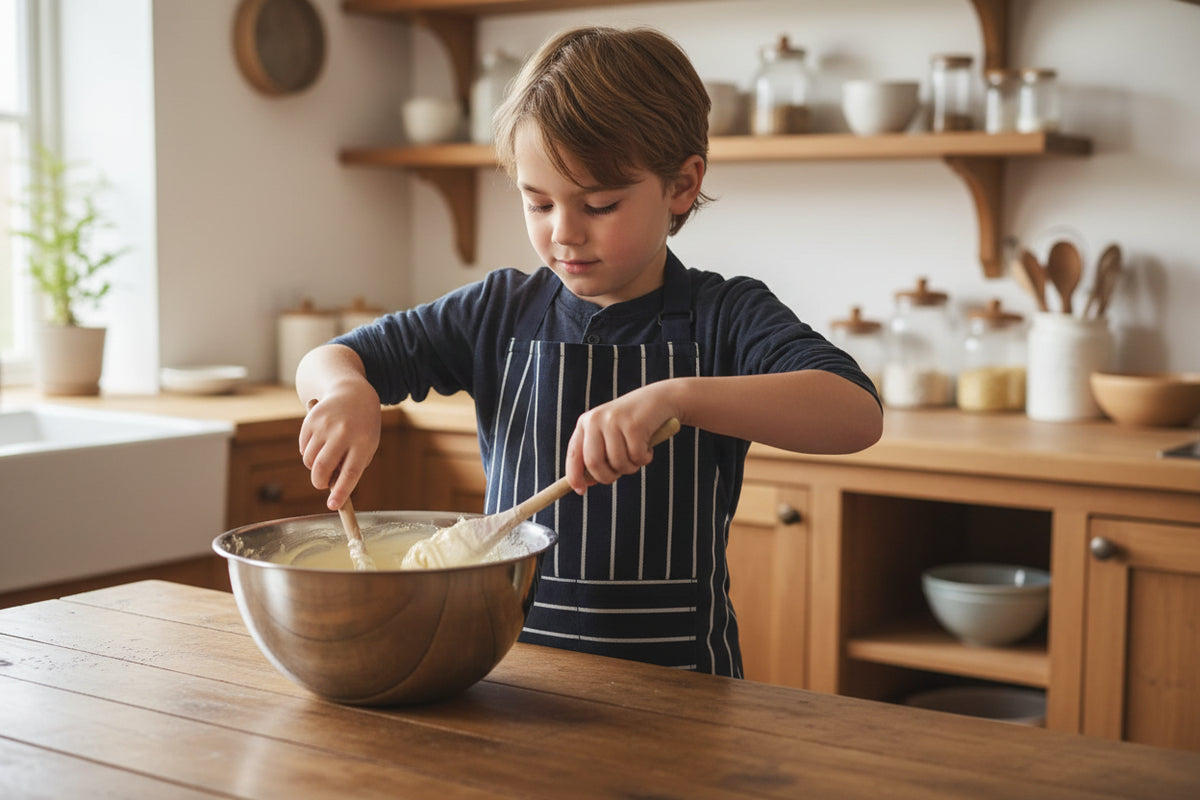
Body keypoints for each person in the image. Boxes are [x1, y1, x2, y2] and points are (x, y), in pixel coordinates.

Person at [296, 25, 882, 678]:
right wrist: (348, 391)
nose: (564, 232)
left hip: (681, 699)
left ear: (682, 187)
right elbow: (328, 359)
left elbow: (856, 413)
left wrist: (677, 395)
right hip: (509, 679)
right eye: (537, 202)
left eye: (599, 204)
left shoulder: (724, 317)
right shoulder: (498, 312)